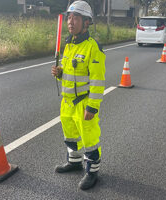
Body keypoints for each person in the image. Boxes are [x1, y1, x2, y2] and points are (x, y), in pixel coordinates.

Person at [51, 0, 106, 190]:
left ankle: (92, 172)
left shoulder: (93, 48)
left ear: (87, 22)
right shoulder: (68, 45)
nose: (71, 21)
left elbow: (98, 81)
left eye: (76, 18)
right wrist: (60, 74)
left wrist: (92, 107)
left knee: (90, 141)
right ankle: (74, 163)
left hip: (83, 103)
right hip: (67, 103)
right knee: (71, 137)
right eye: (69, 17)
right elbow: (69, 76)